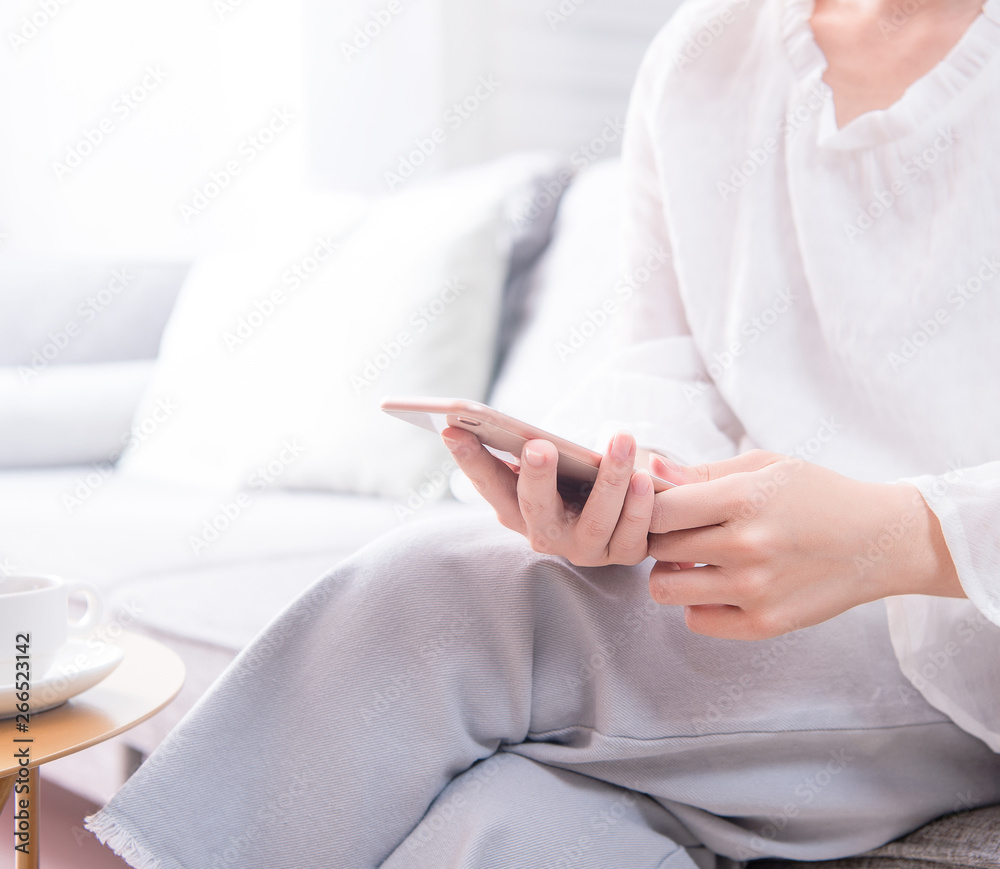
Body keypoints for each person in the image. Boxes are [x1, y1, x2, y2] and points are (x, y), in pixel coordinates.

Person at [88, 0, 1000, 865]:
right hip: (743, 601)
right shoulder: (703, 56)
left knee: (438, 597)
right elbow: (662, 363)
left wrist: (905, 534)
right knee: (508, 827)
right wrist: (620, 482)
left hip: (966, 635)